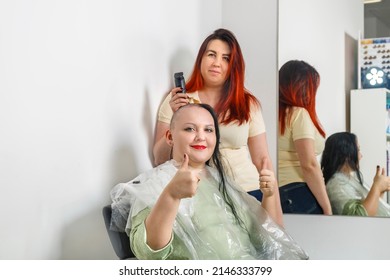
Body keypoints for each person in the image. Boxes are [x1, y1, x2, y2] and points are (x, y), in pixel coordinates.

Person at [110, 104, 308, 260]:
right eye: (190, 129)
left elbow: (270, 237)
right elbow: (148, 252)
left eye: (209, 130)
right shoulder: (155, 183)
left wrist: (270, 195)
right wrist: (172, 195)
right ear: (170, 137)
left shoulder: (223, 182)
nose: (201, 137)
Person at [153, 28, 281, 219]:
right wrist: (176, 115)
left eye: (226, 58)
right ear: (201, 59)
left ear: (233, 66)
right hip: (200, 194)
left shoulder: (248, 104)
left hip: (248, 190)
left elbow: (263, 159)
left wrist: (275, 210)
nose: (217, 63)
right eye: (211, 54)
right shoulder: (177, 101)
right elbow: (159, 159)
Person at [278, 60, 332, 215]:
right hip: (298, 190)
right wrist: (327, 207)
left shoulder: (274, 114)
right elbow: (309, 165)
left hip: (278, 192)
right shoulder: (299, 114)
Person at [320, 132, 390, 216]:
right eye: (358, 150)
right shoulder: (336, 184)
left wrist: (380, 190)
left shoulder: (346, 178)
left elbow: (372, 209)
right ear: (346, 154)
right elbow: (358, 217)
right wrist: (377, 187)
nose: (361, 156)